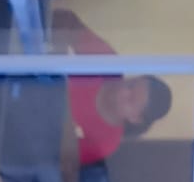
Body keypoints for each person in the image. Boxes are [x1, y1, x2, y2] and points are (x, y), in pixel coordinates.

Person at [51, 9, 173, 167]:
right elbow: (65, 20)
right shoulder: (108, 62)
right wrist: (53, 56)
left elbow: (55, 156)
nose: (123, 91)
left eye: (130, 99)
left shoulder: (106, 142)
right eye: (130, 84)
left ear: (135, 118)